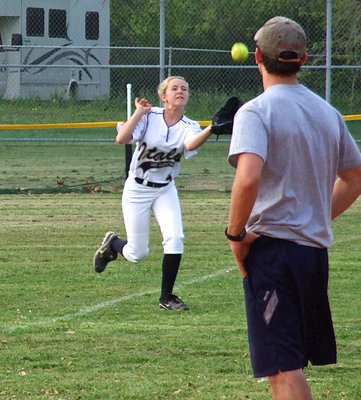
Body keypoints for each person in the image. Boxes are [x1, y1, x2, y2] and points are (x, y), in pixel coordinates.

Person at [225, 16, 361, 400]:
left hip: (273, 255)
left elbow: (248, 178)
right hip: (312, 256)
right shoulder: (327, 112)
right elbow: (355, 177)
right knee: (289, 363)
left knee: (284, 369)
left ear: (257, 58)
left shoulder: (255, 111)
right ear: (303, 59)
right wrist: (314, 214)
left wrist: (235, 235)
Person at [93, 76, 213, 311]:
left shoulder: (190, 126)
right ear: (163, 96)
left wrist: (211, 129)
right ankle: (113, 243)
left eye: (184, 89)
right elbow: (121, 138)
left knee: (175, 238)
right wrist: (139, 112)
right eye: (174, 88)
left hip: (165, 189)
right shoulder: (150, 117)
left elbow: (189, 145)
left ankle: (166, 297)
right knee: (137, 253)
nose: (180, 91)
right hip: (137, 188)